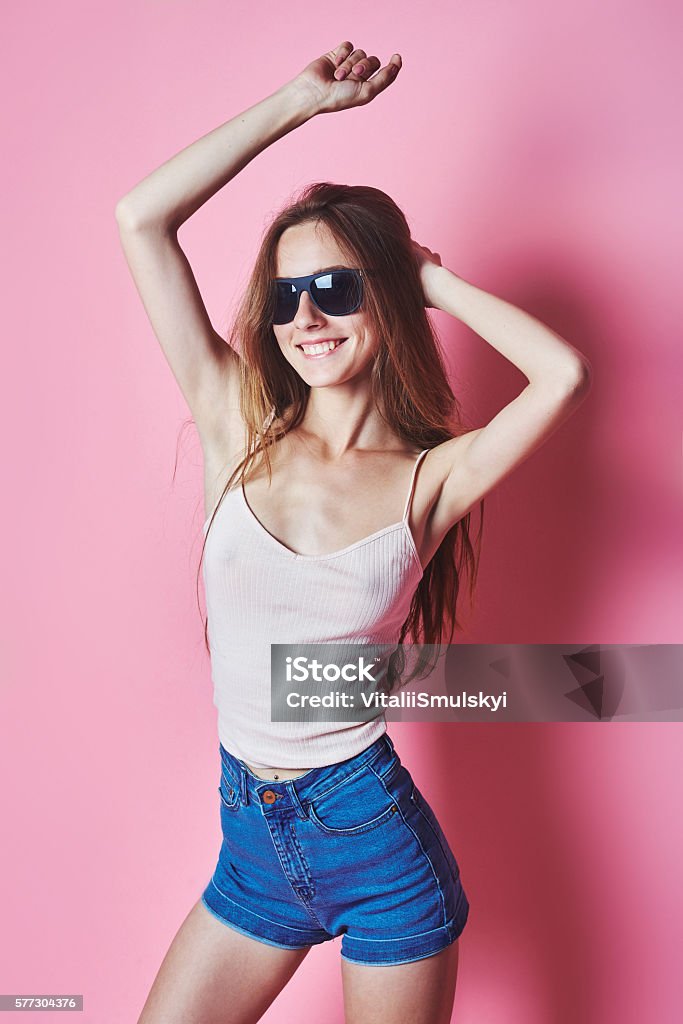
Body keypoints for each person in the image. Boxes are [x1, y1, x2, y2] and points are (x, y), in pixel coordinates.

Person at [116, 40, 591, 1024]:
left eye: (335, 287)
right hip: (250, 846)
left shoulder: (429, 478)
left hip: (374, 846)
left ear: (384, 297)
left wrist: (431, 280)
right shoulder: (234, 424)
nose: (306, 317)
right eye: (287, 296)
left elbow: (561, 377)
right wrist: (296, 103)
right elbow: (140, 218)